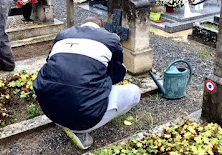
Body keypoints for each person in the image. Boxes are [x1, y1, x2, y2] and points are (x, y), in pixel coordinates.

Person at [33, 17, 141, 150]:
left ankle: (67, 117)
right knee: (134, 92)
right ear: (101, 28)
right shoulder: (110, 39)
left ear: (81, 26)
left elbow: (52, 64)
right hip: (84, 115)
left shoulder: (62, 36)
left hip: (49, 109)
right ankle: (80, 130)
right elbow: (117, 75)